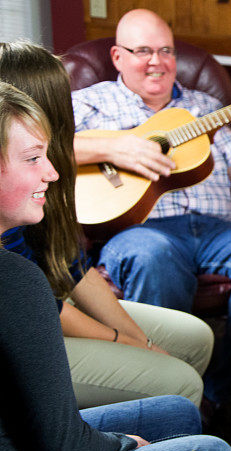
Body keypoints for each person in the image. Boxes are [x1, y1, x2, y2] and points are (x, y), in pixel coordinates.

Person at [0, 80, 231, 451]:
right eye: (33, 159)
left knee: (178, 412)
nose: (51, 173)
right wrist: (123, 445)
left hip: (23, 449)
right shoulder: (14, 280)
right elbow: (64, 447)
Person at [71, 9, 231, 405]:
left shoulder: (205, 105)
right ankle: (158, 397)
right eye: (143, 51)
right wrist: (114, 146)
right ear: (117, 57)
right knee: (153, 255)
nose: (157, 61)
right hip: (139, 230)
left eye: (166, 50)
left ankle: (219, 397)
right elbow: (48, 148)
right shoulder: (90, 102)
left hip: (217, 230)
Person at [0, 40, 213, 409]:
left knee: (197, 338)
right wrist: (126, 343)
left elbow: (71, 265)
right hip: (28, 332)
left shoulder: (49, 165)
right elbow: (40, 305)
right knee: (180, 382)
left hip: (48, 305)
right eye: (63, 99)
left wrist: (141, 341)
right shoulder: (16, 185)